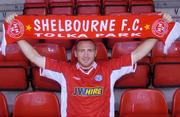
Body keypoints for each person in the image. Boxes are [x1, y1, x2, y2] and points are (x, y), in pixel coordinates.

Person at [5, 13, 173, 117]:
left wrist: (158, 31)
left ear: (96, 52)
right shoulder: (64, 70)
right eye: (82, 50)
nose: (86, 54)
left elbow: (136, 55)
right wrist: (17, 34)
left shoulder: (109, 68)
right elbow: (35, 57)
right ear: (75, 53)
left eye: (90, 50)